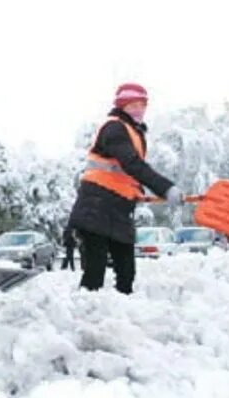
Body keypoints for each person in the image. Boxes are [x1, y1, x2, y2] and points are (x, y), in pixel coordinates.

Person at [67, 83, 182, 294]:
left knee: (126, 272)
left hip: (118, 208)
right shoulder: (115, 128)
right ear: (122, 106)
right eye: (132, 105)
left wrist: (138, 193)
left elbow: (124, 175)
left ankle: (122, 318)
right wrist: (165, 188)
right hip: (96, 206)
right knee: (95, 270)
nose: (138, 109)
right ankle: (85, 316)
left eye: (142, 105)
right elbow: (132, 164)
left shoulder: (133, 132)